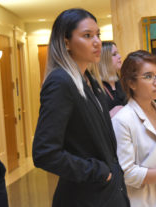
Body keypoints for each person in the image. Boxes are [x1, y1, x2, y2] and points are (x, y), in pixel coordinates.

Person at [32, 8, 130, 207]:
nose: (97, 42)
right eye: (87, 36)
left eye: (97, 35)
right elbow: (45, 152)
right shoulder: (61, 82)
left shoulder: (91, 82)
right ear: (66, 42)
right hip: (85, 196)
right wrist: (98, 172)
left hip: (107, 194)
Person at [112, 50, 156, 207]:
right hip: (141, 201)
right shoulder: (122, 120)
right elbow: (128, 174)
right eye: (148, 76)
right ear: (131, 83)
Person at [98, 41, 126, 117]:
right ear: (104, 59)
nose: (119, 56)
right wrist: (109, 115)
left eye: (118, 53)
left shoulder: (122, 82)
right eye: (114, 54)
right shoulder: (95, 86)